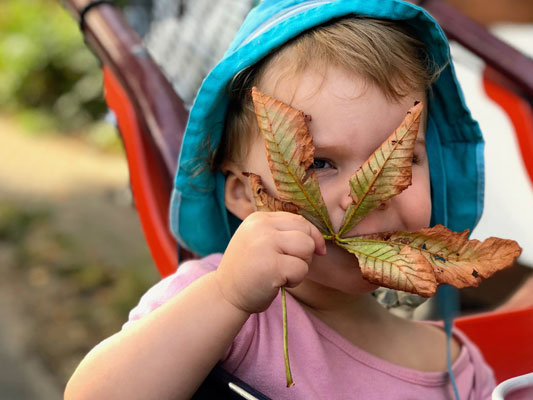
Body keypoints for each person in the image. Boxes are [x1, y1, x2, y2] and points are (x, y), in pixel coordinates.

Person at [65, 1, 496, 398]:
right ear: (244, 195)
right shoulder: (222, 307)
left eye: (402, 158)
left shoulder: (455, 367)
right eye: (322, 163)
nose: (366, 195)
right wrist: (227, 296)